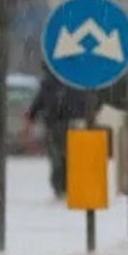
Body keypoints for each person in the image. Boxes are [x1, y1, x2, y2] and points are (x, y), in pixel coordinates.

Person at [25, 62, 99, 199]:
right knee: (62, 158)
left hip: (65, 123)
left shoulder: (59, 82)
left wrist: (31, 115)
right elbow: (40, 101)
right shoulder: (68, 81)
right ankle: (63, 187)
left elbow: (39, 101)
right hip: (64, 123)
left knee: (62, 158)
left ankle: (64, 187)